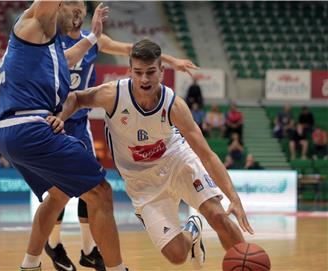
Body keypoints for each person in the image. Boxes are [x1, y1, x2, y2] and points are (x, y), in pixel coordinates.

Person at [58, 39, 253, 269]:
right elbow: (77, 98)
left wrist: (235, 198)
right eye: (138, 72)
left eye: (151, 72)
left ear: (161, 71)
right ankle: (192, 230)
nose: (144, 79)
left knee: (218, 216)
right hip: (142, 183)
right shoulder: (113, 94)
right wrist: (59, 119)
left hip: (177, 160)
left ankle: (246, 265)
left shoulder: (174, 105)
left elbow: (207, 155)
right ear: (129, 71)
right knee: (177, 255)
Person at [45, 2, 199, 270]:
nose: (76, 11)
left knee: (91, 186)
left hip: (78, 120)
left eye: (80, 5)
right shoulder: (52, 40)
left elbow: (130, 49)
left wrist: (171, 61)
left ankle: (88, 250)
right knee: (58, 192)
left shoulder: (93, 40)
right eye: (70, 5)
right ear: (61, 10)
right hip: (54, 116)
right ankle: (53, 244)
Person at [0, 2, 127, 271]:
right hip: (31, 125)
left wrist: (92, 37)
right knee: (101, 194)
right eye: (73, 5)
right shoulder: (35, 21)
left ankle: (30, 264)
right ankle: (116, 268)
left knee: (58, 197)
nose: (79, 13)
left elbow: (66, 60)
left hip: (11, 131)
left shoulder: (46, 44)